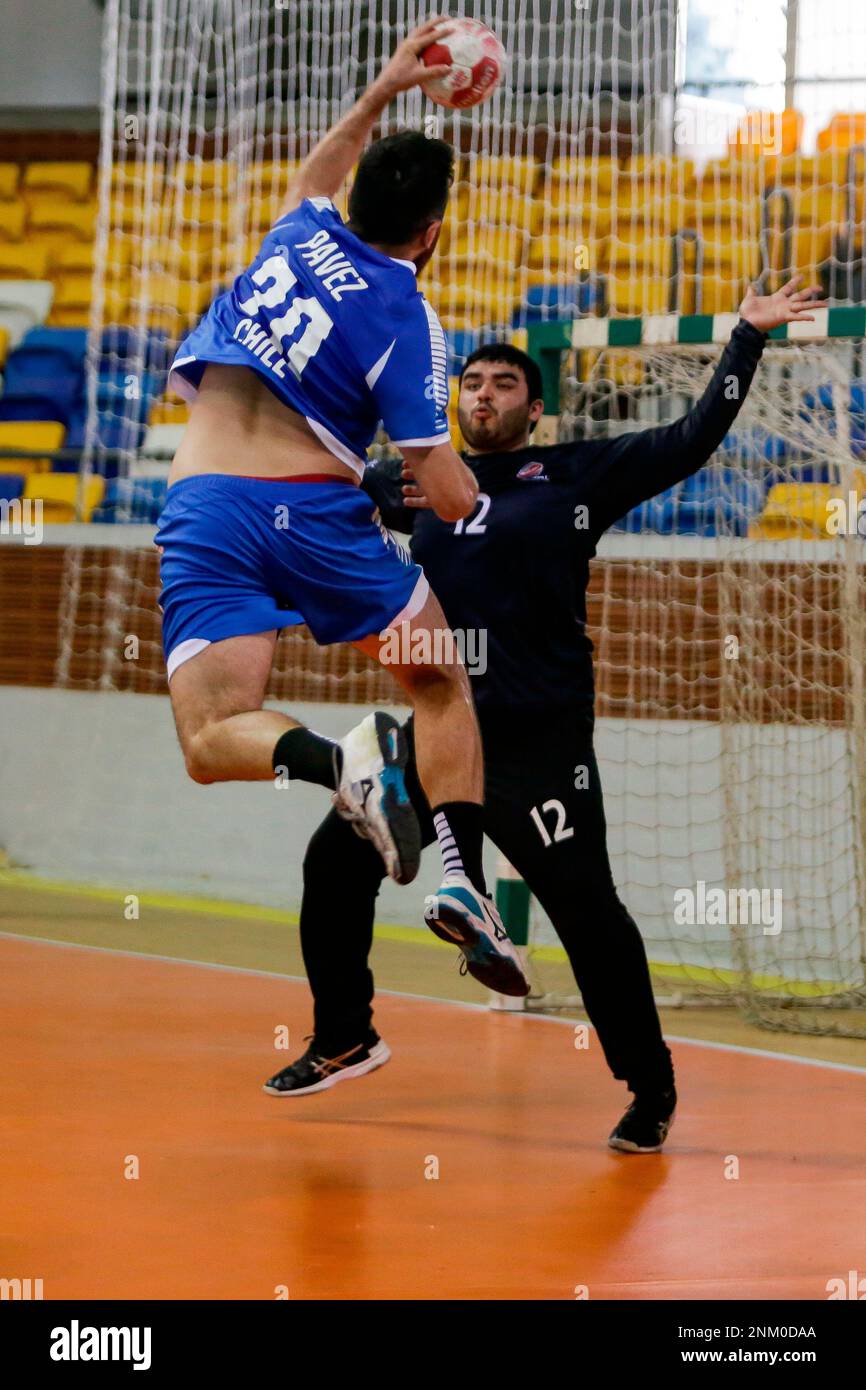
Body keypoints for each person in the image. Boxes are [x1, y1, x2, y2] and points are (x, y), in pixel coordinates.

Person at [264, 276, 827, 1153]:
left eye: (505, 385)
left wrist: (748, 337)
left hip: (538, 741)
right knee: (333, 864)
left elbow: (691, 439)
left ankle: (652, 1087)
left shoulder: (574, 473)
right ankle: (345, 1034)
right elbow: (319, 473)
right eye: (473, 383)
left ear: (535, 410)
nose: (484, 395)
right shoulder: (411, 483)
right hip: (439, 732)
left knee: (588, 915)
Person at [154, 17, 528, 996]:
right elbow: (444, 490)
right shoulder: (406, 320)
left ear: (352, 195)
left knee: (207, 741)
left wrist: (380, 92)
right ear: (432, 231)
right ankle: (460, 879)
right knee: (440, 682)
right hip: (309, 515)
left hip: (201, 506)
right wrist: (463, 490)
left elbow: (322, 167)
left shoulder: (297, 229)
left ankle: (343, 764)